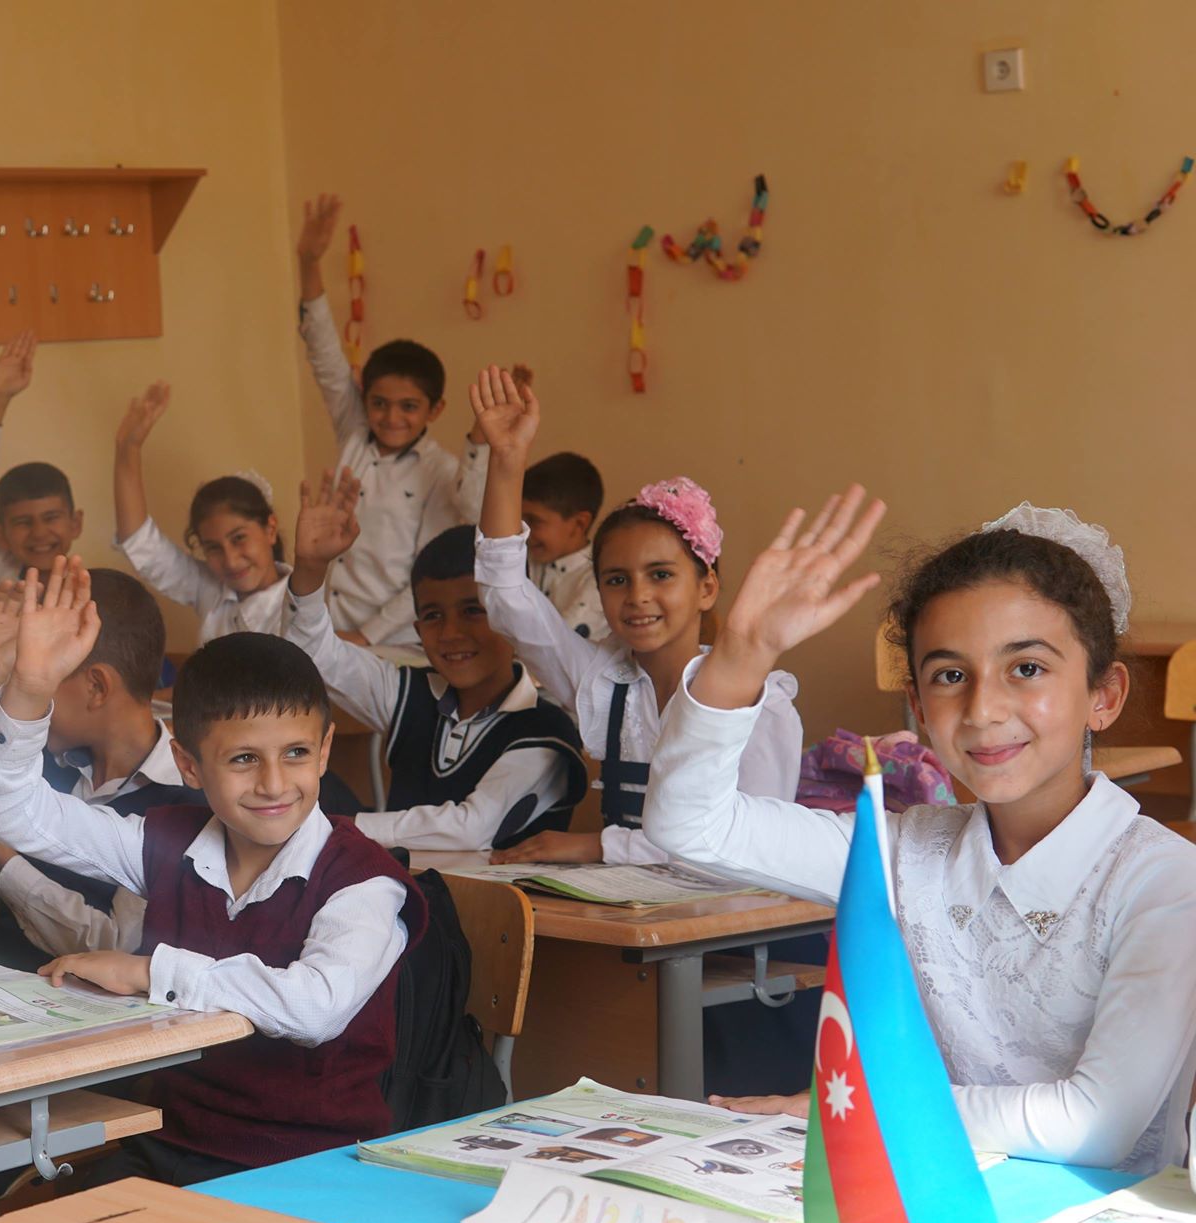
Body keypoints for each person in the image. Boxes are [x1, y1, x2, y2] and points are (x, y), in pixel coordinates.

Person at [644, 488, 1196, 1174]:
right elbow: (689, 823)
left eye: (1026, 668)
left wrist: (866, 1110)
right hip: (931, 1205)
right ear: (918, 705)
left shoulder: (1163, 880)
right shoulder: (904, 850)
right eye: (950, 674)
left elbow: (1093, 1125)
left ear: (1103, 695)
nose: (984, 708)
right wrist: (740, 655)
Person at [0, 567, 425, 1182]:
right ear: (188, 762)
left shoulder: (363, 880)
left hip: (309, 1162)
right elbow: (3, 806)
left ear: (326, 750)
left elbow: (315, 1009)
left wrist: (150, 972)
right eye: (242, 760)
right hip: (173, 1142)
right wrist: (30, 686)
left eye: (296, 753)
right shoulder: (169, 841)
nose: (274, 784)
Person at [468, 363, 802, 864]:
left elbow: (749, 847)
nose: (637, 595)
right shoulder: (604, 682)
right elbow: (505, 596)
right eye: (617, 579)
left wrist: (597, 844)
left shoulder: (759, 704)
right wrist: (507, 461)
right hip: (631, 917)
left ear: (707, 587)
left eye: (661, 575)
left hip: (726, 927)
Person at [285, 473, 586, 850]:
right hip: (398, 897)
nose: (450, 633)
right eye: (432, 616)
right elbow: (313, 656)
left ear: (513, 620)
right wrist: (310, 569)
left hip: (496, 908)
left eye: (472, 611)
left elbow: (471, 828)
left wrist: (332, 828)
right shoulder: (410, 694)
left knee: (297, 813)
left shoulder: (546, 729)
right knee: (291, 784)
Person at [0, 568, 207, 969]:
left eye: (37, 677)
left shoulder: (183, 801)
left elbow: (119, 945)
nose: (18, 695)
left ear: (95, 687)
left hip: (81, 1006)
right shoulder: (42, 758)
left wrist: (4, 863)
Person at [295, 193, 481, 646]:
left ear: (434, 410)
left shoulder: (440, 471)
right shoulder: (355, 431)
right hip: (325, 622)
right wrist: (308, 262)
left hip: (392, 641)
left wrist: (367, 634)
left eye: (409, 407)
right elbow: (323, 350)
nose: (391, 417)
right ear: (363, 397)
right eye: (379, 403)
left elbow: (427, 568)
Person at [112, 382, 291, 640]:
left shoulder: (302, 605)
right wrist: (127, 448)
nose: (230, 560)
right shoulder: (211, 587)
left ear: (270, 529)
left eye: (239, 538)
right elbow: (140, 542)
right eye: (213, 548)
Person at [0, 331, 82, 582]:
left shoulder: (94, 588)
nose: (39, 533)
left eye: (51, 517)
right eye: (23, 522)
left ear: (75, 523)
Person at [521, 451, 609, 642]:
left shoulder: (599, 580)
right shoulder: (522, 559)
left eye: (534, 521)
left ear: (579, 524)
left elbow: (556, 647)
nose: (523, 530)